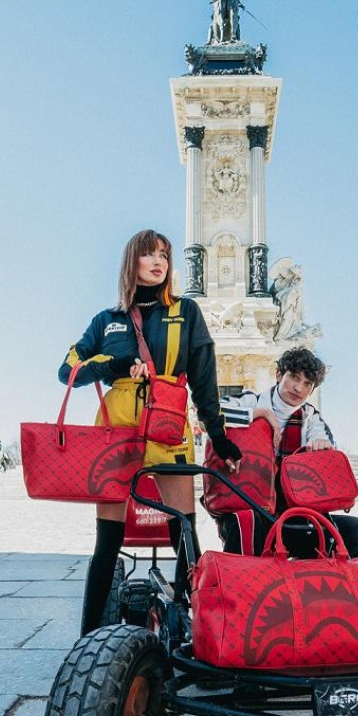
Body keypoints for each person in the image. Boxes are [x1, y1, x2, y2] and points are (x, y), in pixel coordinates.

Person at [58, 229, 242, 636]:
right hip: (115, 433)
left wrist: (219, 434)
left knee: (184, 533)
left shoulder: (185, 312)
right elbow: (66, 372)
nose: (158, 261)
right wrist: (114, 365)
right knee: (107, 541)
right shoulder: (106, 322)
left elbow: (204, 380)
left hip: (167, 426)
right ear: (132, 262)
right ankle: (89, 636)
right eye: (149, 254)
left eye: (164, 254)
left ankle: (196, 627)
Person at [217, 347, 358, 557]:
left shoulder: (311, 418)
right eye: (294, 377)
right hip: (252, 509)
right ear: (279, 375)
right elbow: (208, 414)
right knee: (246, 521)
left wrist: (321, 446)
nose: (299, 388)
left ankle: (332, 586)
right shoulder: (250, 401)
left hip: (295, 513)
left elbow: (323, 441)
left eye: (307, 383)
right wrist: (258, 414)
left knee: (354, 528)